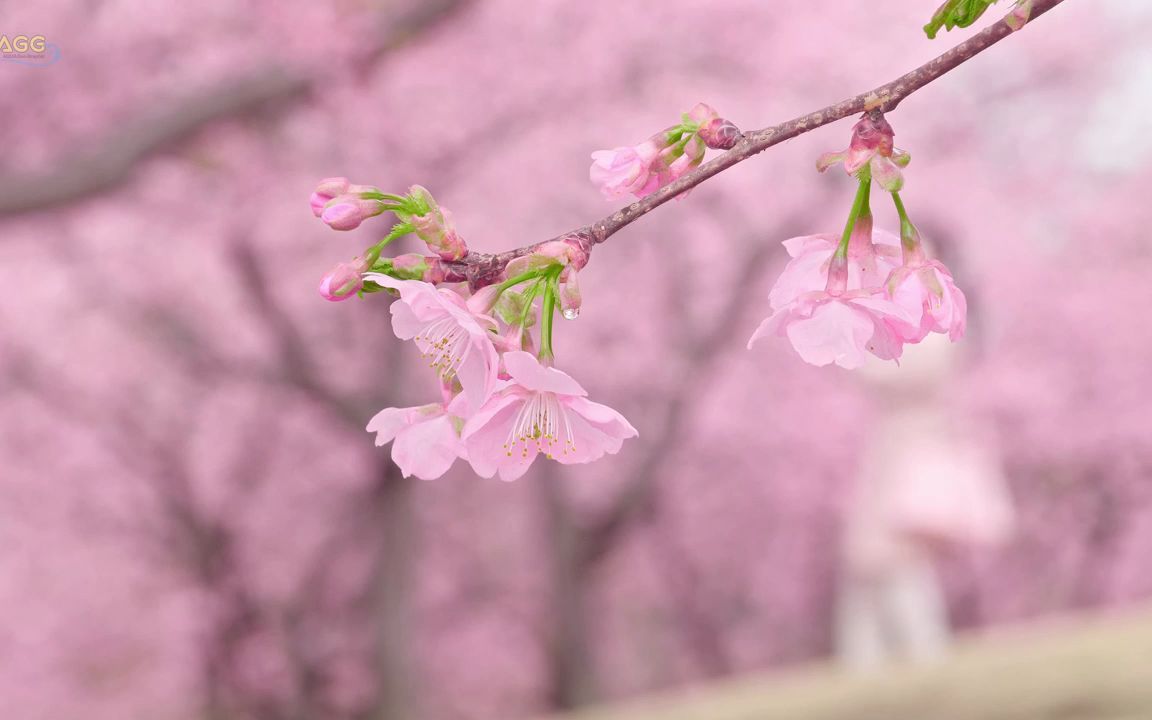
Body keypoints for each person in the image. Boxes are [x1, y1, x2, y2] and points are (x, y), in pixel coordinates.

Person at [836, 332, 1015, 669]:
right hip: (900, 456)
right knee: (877, 563)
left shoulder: (928, 339)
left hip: (907, 461)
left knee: (890, 560)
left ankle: (906, 652)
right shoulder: (929, 340)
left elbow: (877, 371)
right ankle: (876, 656)